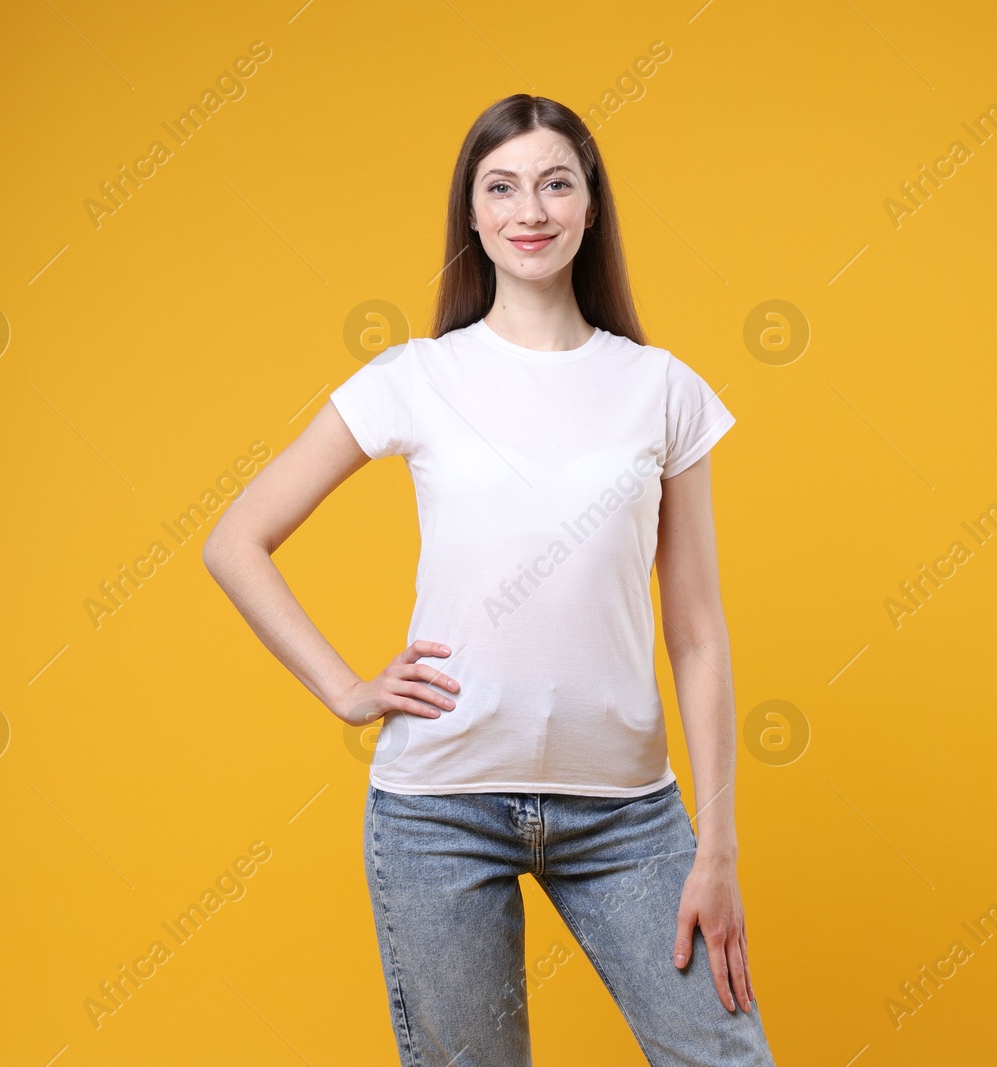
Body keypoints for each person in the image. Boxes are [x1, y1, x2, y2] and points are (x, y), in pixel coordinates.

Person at [202, 93, 775, 1066]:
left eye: (557, 183)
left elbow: (697, 634)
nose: (531, 209)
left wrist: (714, 848)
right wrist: (347, 689)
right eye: (501, 187)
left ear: (590, 205)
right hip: (438, 811)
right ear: (472, 215)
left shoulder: (661, 387)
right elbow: (235, 539)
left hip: (627, 814)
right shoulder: (416, 376)